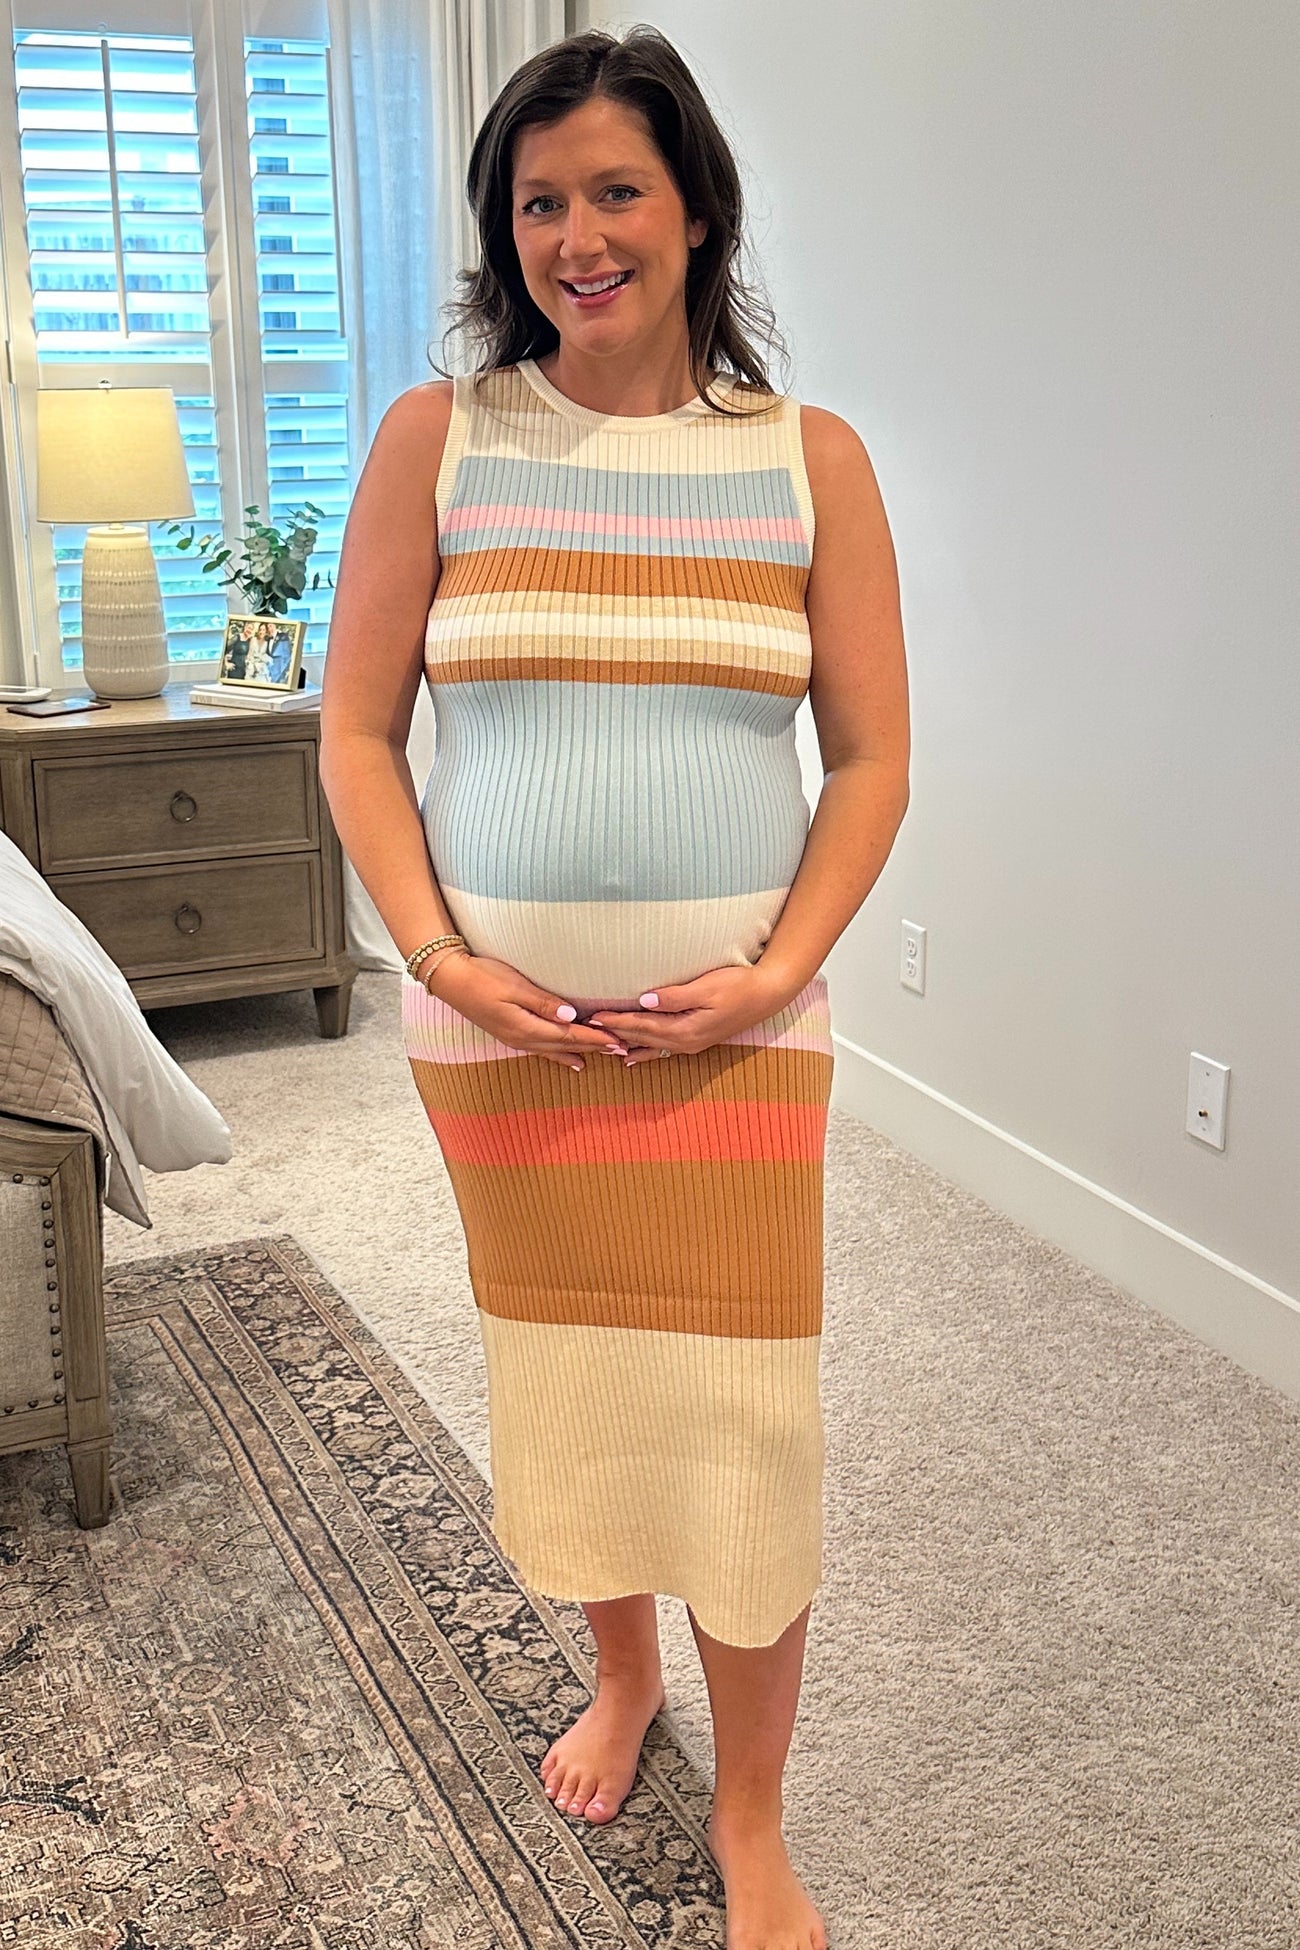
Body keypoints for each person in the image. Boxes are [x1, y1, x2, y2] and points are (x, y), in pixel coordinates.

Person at [320, 26, 909, 1950]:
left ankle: (754, 1810)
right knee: (572, 1383)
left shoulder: (810, 463)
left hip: (741, 1048)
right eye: (540, 200)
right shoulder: (440, 440)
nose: (578, 235)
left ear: (698, 210)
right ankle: (624, 1670)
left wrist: (777, 974)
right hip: (501, 1051)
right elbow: (357, 736)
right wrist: (440, 956)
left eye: (617, 191)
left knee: (744, 1419)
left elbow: (871, 759)